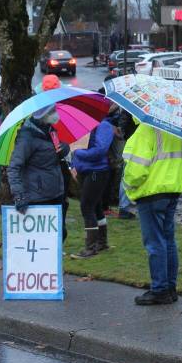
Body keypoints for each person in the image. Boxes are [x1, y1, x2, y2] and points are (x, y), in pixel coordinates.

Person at [122, 120, 182, 305]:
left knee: (155, 242)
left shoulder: (146, 129)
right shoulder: (178, 128)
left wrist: (127, 187)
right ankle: (169, 288)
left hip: (151, 192)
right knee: (168, 240)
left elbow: (136, 170)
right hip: (172, 190)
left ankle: (160, 289)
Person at [7, 104, 69, 242]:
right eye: (52, 111)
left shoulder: (50, 130)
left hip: (56, 192)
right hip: (39, 196)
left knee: (60, 234)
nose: (56, 114)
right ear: (43, 115)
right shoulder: (27, 138)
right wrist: (19, 195)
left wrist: (64, 148)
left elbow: (54, 155)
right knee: (43, 240)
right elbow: (14, 168)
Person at [70, 103, 121, 258]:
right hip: (87, 171)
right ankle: (101, 242)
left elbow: (100, 151)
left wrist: (79, 154)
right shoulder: (87, 125)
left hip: (97, 172)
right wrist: (74, 164)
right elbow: (76, 146)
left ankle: (91, 247)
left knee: (87, 207)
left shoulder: (104, 126)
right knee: (96, 206)